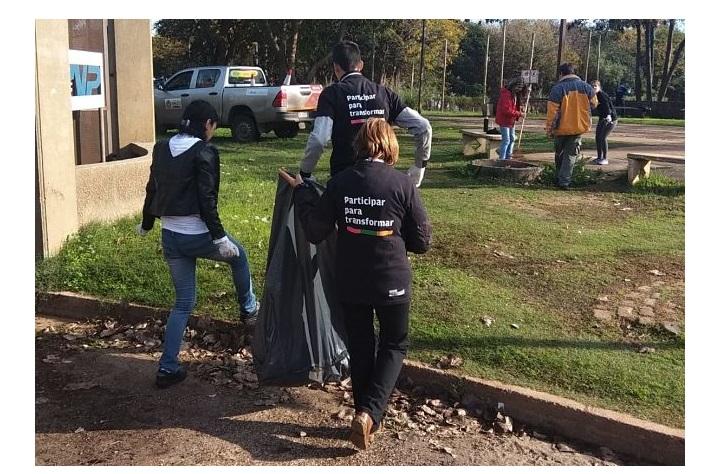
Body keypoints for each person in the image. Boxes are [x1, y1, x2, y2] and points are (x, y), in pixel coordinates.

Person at [286, 118, 431, 450]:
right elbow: (422, 241)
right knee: (394, 344)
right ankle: (369, 414)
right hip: (391, 280)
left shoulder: (340, 183)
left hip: (351, 279)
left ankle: (363, 417)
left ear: (359, 146)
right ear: (390, 146)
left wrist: (303, 196)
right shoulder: (402, 184)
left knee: (361, 346)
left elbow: (315, 230)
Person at [137, 100, 259, 389]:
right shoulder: (205, 151)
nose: (213, 132)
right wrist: (219, 237)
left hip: (170, 237)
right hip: (198, 236)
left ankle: (167, 368)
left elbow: (152, 187)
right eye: (214, 127)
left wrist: (146, 223)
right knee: (239, 256)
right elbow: (208, 199)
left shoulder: (161, 147)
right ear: (207, 124)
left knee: (183, 303)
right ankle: (250, 310)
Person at [300, 40, 432, 187]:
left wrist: (305, 173)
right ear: (361, 65)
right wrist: (418, 170)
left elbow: (319, 138)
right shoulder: (384, 93)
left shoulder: (331, 94)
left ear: (336, 68)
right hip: (383, 182)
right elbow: (423, 127)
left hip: (344, 181)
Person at [545, 63, 598, 189]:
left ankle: (558, 178)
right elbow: (594, 103)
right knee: (570, 156)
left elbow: (552, 112)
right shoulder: (586, 87)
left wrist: (549, 129)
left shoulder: (557, 88)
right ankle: (564, 182)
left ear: (561, 74)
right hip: (578, 127)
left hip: (560, 128)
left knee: (559, 154)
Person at [495, 77, 525, 160]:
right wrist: (519, 114)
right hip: (504, 120)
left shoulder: (514, 94)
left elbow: (514, 106)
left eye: (520, 88)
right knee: (506, 140)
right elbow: (506, 110)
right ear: (513, 86)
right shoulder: (506, 94)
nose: (519, 90)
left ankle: (508, 157)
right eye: (518, 87)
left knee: (512, 138)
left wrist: (520, 109)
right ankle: (502, 159)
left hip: (511, 120)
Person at [590, 80, 618, 165]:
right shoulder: (594, 96)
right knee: (597, 137)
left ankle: (605, 158)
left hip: (611, 119)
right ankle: (599, 157)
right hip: (602, 118)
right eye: (592, 86)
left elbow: (607, 106)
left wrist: (609, 116)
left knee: (603, 137)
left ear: (599, 87)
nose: (594, 87)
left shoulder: (601, 95)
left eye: (595, 86)